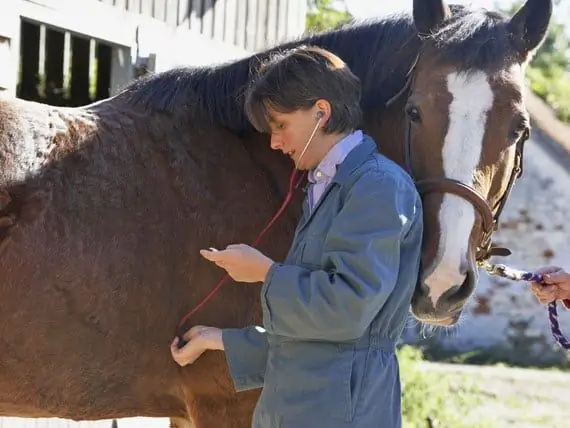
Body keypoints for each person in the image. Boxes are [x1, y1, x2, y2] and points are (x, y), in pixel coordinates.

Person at [170, 45, 424, 428]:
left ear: (321, 112)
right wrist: (218, 339)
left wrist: (266, 273)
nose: (274, 142)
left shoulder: (377, 186)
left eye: (280, 124)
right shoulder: (328, 185)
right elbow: (311, 340)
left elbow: (346, 311)